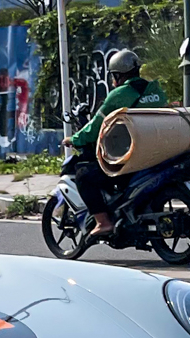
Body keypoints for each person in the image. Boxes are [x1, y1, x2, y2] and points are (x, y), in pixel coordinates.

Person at [66, 49, 172, 235]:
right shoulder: (156, 91)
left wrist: (74, 139)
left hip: (131, 158)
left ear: (116, 75)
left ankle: (103, 222)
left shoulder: (118, 95)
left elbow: (96, 126)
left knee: (84, 175)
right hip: (159, 152)